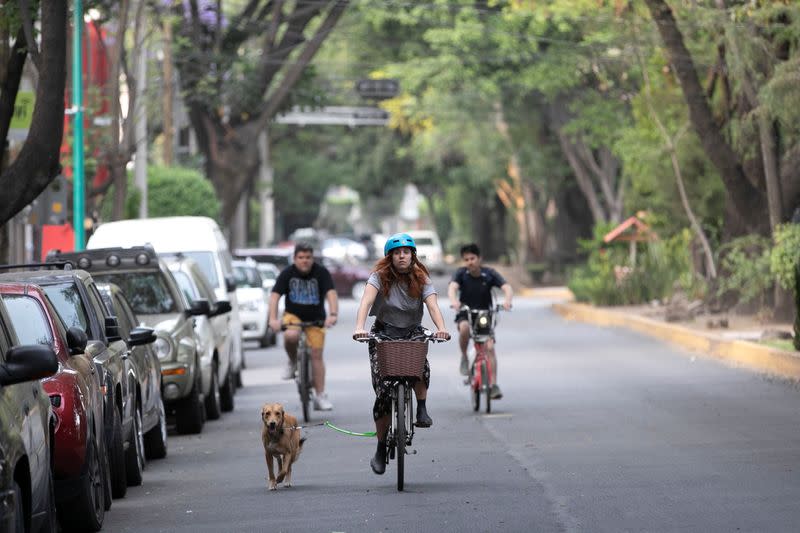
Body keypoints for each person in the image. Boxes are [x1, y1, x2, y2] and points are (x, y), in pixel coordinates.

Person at [353, 232, 450, 475]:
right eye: (397, 253)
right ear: (390, 257)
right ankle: (379, 447)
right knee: (383, 394)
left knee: (420, 367)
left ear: (413, 255)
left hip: (412, 331)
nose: (402, 256)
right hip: (384, 333)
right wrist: (359, 327)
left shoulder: (422, 278)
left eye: (406, 252)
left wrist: (441, 329)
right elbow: (365, 302)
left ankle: (422, 408)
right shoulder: (379, 277)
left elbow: (433, 305)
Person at [268, 242, 338, 411]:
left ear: (312, 258)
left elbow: (331, 294)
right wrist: (272, 319)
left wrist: (333, 315)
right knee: (291, 336)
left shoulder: (321, 272)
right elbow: (275, 296)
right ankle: (293, 361)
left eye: (308, 257)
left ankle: (320, 396)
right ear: (294, 258)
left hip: (316, 319)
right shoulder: (287, 273)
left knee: (316, 354)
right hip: (294, 316)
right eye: (301, 257)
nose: (304, 261)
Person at [447, 243, 513, 399]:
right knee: (464, 329)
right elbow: (452, 288)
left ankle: (494, 385)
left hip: (484, 315)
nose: (470, 262)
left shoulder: (489, 274)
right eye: (466, 259)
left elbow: (507, 287)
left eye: (472, 258)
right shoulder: (461, 274)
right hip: (465, 312)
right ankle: (464, 357)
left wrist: (507, 301)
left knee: (489, 347)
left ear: (479, 258)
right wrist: (454, 301)